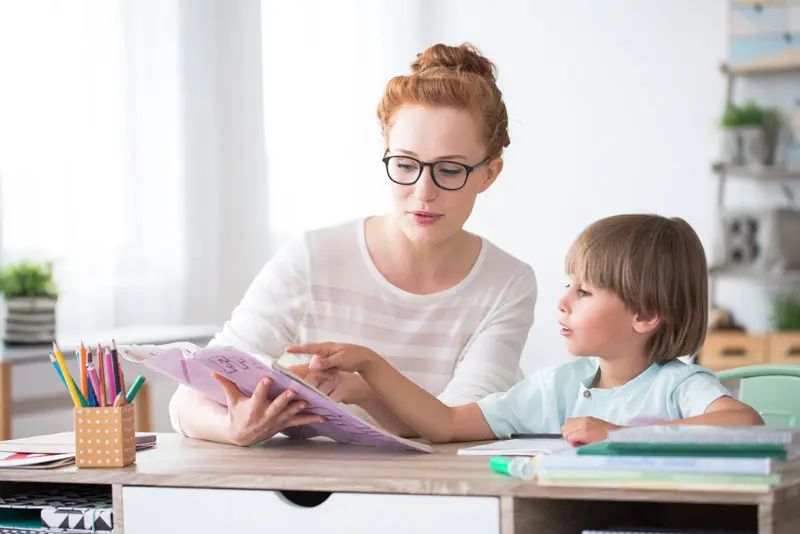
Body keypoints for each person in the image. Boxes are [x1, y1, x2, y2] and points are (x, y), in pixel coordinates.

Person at [168, 43, 538, 446]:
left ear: (489, 174)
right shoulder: (313, 257)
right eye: (405, 165)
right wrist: (234, 428)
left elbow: (460, 424)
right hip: (308, 493)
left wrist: (365, 387)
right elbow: (190, 397)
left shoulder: (507, 282)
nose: (423, 191)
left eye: (449, 170)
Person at [288, 214, 764, 447]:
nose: (562, 301)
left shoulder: (679, 386)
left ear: (644, 315)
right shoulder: (557, 387)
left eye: (585, 292)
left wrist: (617, 435)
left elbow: (745, 423)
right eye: (567, 285)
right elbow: (444, 425)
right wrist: (367, 377)